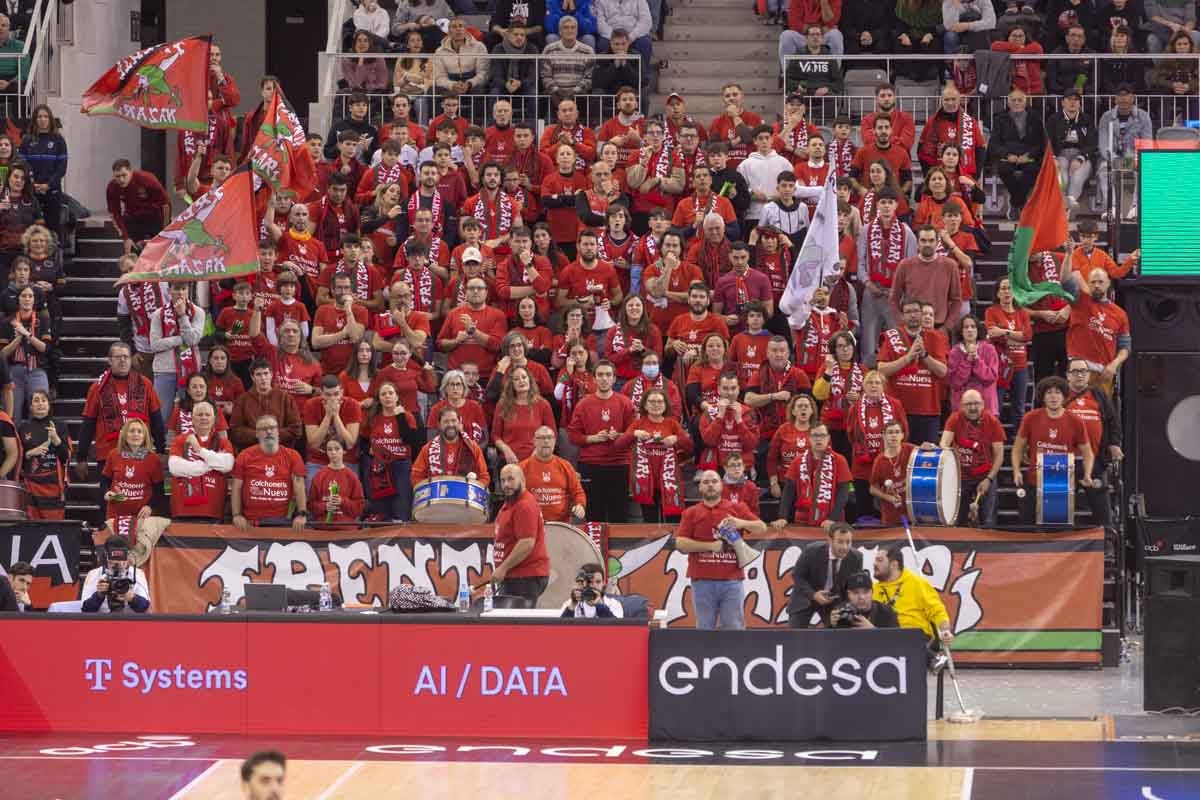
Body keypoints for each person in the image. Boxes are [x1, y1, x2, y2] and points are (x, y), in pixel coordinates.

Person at [674, 469, 766, 630]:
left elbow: (762, 528)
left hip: (732, 581)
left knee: (734, 630)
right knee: (704, 630)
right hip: (702, 581)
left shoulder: (738, 508)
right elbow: (680, 543)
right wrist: (710, 546)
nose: (710, 485)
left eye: (714, 481)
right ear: (700, 487)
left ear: (721, 485)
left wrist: (740, 523)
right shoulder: (690, 513)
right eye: (706, 482)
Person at [1012, 376, 1097, 525]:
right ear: (1042, 397)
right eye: (1049, 392)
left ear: (1064, 396)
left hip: (1062, 486)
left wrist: (1088, 474)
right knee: (1028, 528)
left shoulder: (1075, 421)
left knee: (1060, 529)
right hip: (1034, 483)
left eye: (1057, 392)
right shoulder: (1030, 418)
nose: (1053, 396)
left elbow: (1088, 453)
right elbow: (1017, 449)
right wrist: (1016, 471)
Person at [76, 342, 166, 483]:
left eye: (126, 357)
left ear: (131, 360)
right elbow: (88, 423)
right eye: (118, 357)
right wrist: (81, 457)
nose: (122, 360)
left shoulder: (145, 384)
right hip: (108, 455)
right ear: (110, 360)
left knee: (140, 499)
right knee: (109, 500)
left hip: (140, 453)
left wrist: (160, 449)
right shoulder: (97, 388)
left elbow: (156, 419)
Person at [567, 361, 635, 522]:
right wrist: (593, 438)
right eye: (600, 375)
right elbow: (573, 435)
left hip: (618, 464)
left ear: (614, 379)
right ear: (594, 379)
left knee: (618, 515)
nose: (604, 378)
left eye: (608, 375)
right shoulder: (583, 404)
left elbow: (632, 434)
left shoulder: (625, 403)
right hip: (591, 464)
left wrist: (618, 435)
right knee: (593, 514)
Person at [856, 187, 915, 366]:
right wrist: (867, 282)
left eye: (890, 202)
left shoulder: (907, 232)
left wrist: (897, 290)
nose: (887, 206)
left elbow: (911, 267)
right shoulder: (866, 230)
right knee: (868, 339)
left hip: (895, 295)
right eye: (883, 202)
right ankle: (867, 376)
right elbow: (860, 262)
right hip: (871, 292)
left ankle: (894, 375)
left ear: (896, 205)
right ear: (877, 205)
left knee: (895, 337)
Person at [877, 297, 948, 445]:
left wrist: (924, 355)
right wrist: (908, 358)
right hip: (898, 410)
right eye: (908, 312)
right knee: (899, 456)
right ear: (902, 316)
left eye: (916, 311)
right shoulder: (892, 336)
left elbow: (942, 371)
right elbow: (881, 369)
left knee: (926, 459)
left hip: (928, 411)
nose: (913, 315)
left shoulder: (936, 337)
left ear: (922, 314)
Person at [616, 388, 691, 523]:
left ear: (665, 405)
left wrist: (676, 439)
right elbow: (619, 445)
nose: (656, 405)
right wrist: (634, 434)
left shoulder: (672, 424)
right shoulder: (638, 424)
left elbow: (690, 448)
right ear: (645, 405)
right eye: (652, 401)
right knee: (650, 523)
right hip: (646, 484)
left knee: (672, 521)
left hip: (669, 483)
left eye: (659, 401)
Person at [872, 543, 954, 667]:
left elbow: (937, 610)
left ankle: (930, 658)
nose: (874, 564)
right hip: (885, 638)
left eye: (879, 560)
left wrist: (945, 630)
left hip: (918, 636)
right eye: (875, 560)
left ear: (894, 564)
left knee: (899, 641)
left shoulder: (917, 583)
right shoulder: (873, 589)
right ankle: (932, 659)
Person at [1065, 357, 1122, 528]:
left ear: (1089, 375)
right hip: (1065, 462)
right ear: (1068, 375)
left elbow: (1113, 421)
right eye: (1075, 371)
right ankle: (1059, 548)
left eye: (1083, 371)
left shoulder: (1099, 395)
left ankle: (1107, 546)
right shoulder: (1058, 394)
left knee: (1102, 509)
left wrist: (1114, 444)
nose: (1079, 375)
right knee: (1060, 509)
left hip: (1095, 460)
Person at [845, 370, 907, 520]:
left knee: (887, 508)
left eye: (877, 383)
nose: (874, 386)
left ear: (884, 386)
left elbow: (904, 431)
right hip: (863, 465)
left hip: (887, 463)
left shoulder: (894, 405)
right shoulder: (855, 407)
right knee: (864, 510)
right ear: (863, 386)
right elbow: (851, 434)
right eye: (870, 383)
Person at [1062, 266, 1131, 398]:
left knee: (1101, 415)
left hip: (1104, 374)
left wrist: (1114, 365)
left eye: (1100, 282)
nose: (1096, 285)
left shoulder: (1120, 314)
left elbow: (1125, 347)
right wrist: (1069, 254)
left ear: (1108, 283)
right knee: (1077, 413)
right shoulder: (1080, 300)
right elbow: (1065, 281)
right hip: (1078, 372)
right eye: (1093, 282)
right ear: (1088, 284)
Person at [940, 389, 1004, 527]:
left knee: (989, 522)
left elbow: (999, 455)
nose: (973, 407)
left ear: (983, 404)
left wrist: (989, 479)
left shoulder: (993, 421)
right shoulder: (954, 418)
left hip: (986, 475)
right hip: (960, 477)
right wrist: (947, 451)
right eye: (968, 404)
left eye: (976, 403)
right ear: (961, 405)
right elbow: (944, 443)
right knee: (958, 521)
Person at [232, 415, 308, 531]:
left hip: (282, 523)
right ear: (257, 434)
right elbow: (236, 487)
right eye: (263, 429)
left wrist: (301, 514)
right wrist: (237, 515)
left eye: (272, 428)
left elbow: (299, 485)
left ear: (278, 431)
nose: (269, 431)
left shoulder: (293, 456)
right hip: (251, 522)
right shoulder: (244, 456)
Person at [490, 464, 551, 604]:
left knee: (518, 624)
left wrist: (502, 568)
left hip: (525, 576)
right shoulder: (511, 503)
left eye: (511, 479)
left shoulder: (524, 505)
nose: (506, 484)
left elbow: (527, 542)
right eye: (503, 480)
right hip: (516, 576)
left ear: (522, 480)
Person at [774, 422, 854, 528]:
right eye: (815, 436)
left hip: (832, 523)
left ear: (828, 438)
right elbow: (788, 491)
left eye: (822, 435)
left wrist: (832, 519)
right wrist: (782, 517)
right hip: (802, 522)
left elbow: (843, 493)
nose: (818, 439)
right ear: (809, 438)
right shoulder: (798, 461)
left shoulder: (840, 460)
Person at [167, 400, 234, 521]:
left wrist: (199, 450)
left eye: (207, 415)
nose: (204, 418)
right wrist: (211, 464)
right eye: (199, 414)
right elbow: (175, 467)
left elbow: (227, 465)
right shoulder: (180, 440)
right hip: (182, 510)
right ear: (192, 419)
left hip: (213, 511)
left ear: (214, 420)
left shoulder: (223, 442)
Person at [786, 520, 862, 628]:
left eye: (848, 542)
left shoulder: (856, 557)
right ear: (830, 540)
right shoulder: (811, 551)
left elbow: (852, 586)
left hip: (835, 600)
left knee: (840, 632)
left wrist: (845, 607)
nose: (845, 547)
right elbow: (797, 576)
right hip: (807, 596)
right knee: (795, 636)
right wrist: (813, 595)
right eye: (840, 542)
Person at [149, 283, 206, 425]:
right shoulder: (158, 314)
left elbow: (193, 339)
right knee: (161, 415)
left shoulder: (198, 312)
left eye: (183, 288)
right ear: (169, 291)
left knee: (190, 416)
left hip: (190, 370)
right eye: (176, 289)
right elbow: (155, 345)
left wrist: (182, 316)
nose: (180, 292)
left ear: (188, 290)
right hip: (164, 370)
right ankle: (159, 447)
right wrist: (180, 339)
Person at [889, 225, 963, 332]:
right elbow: (893, 299)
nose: (927, 244)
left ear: (937, 243)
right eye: (923, 240)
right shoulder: (905, 265)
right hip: (911, 328)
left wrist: (947, 327)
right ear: (918, 243)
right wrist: (902, 321)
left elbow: (957, 300)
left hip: (939, 327)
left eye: (931, 240)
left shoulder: (950, 266)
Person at [1098, 85, 1153, 221]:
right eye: (1120, 95)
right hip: (1111, 157)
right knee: (1105, 170)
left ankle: (1132, 208)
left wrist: (1136, 159)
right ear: (1115, 98)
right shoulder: (1106, 117)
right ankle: (1113, 207)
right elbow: (1103, 144)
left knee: (1134, 170)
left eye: (1126, 95)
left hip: (1134, 157)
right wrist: (1116, 160)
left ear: (1133, 97)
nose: (1123, 98)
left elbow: (1147, 143)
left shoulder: (1143, 116)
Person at [985, 277, 1032, 427]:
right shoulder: (991, 311)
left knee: (1018, 407)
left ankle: (1016, 439)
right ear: (998, 293)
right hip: (1000, 367)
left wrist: (1004, 333)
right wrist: (1016, 336)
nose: (1007, 292)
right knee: (996, 407)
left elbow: (1027, 337)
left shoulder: (1022, 313)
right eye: (1003, 288)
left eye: (1010, 288)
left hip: (1020, 366)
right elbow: (992, 335)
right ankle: (996, 439)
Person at [0, 284, 50, 423]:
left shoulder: (42, 319)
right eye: (24, 296)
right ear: (18, 299)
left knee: (40, 413)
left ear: (34, 300)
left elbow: (45, 348)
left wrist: (27, 334)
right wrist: (18, 338)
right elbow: (2, 354)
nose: (27, 299)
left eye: (30, 296)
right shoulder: (7, 322)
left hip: (37, 370)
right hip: (14, 371)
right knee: (13, 415)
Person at [229, 359, 304, 451]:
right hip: (252, 451)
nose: (263, 378)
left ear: (271, 375)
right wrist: (260, 434)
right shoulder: (242, 400)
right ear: (252, 377)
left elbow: (296, 429)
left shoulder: (286, 398)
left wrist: (270, 434)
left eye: (266, 373)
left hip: (281, 451)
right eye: (258, 374)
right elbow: (235, 431)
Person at [303, 375, 363, 485]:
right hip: (318, 460)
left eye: (336, 394)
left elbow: (349, 443)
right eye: (328, 395)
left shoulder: (353, 405)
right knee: (312, 485)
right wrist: (327, 416)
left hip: (346, 460)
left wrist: (336, 416)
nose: (332, 399)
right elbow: (314, 444)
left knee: (350, 489)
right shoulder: (310, 405)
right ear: (321, 393)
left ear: (342, 391)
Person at [917, 84, 987, 178]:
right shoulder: (932, 122)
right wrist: (929, 175)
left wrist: (975, 176)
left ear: (959, 101)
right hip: (939, 175)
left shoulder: (971, 122)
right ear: (941, 101)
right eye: (946, 99)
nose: (950, 103)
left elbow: (980, 149)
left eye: (953, 99)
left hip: (964, 176)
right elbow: (922, 151)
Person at [19, 105, 67, 241]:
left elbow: (61, 168)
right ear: (35, 120)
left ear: (50, 119)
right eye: (39, 116)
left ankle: (54, 258)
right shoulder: (27, 140)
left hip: (52, 191)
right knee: (31, 227)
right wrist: (32, 183)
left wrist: (49, 185)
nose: (42, 119)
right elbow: (23, 165)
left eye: (45, 116)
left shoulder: (58, 140)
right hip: (31, 190)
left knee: (53, 229)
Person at [19, 390, 70, 519]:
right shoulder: (23, 427)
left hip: (53, 485)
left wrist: (56, 440)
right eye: (36, 400)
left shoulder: (60, 425)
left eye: (43, 400)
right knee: (31, 525)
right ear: (30, 406)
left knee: (54, 525)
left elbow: (66, 457)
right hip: (31, 484)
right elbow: (17, 458)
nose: (40, 404)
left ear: (49, 404)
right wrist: (29, 453)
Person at [520, 425, 587, 522]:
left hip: (561, 524)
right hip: (531, 524)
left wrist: (580, 505)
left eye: (549, 438)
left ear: (555, 441)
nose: (546, 441)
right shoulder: (522, 468)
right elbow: (515, 497)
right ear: (534, 441)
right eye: (542, 438)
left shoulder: (565, 466)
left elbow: (578, 492)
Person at [1047, 89, 1098, 214]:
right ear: (1062, 103)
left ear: (1080, 103)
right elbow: (1046, 141)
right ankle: (1064, 207)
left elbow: (1092, 143)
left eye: (1076, 100)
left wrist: (1081, 158)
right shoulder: (1054, 119)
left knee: (1076, 176)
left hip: (1081, 155)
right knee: (1062, 175)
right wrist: (1052, 158)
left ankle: (1066, 208)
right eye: (1069, 99)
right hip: (1061, 155)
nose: (1072, 102)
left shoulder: (1086, 119)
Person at [412, 406, 491, 485]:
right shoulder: (428, 449)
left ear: (459, 422)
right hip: (437, 495)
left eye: (453, 420)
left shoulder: (472, 447)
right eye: (446, 421)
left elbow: (484, 477)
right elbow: (416, 476)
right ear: (439, 425)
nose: (450, 424)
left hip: (465, 495)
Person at [106, 159, 171, 255]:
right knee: (132, 249)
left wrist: (165, 230)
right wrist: (125, 237)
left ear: (131, 172)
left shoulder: (146, 179)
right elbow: (115, 213)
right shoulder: (112, 187)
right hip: (133, 217)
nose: (121, 180)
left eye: (124, 175)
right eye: (117, 176)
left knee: (159, 251)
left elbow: (166, 204)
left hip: (154, 215)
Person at [80, 535, 151, 614]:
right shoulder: (94, 574)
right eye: (113, 557)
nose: (117, 562)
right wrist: (99, 595)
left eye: (121, 557)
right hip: (101, 620)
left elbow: (145, 608)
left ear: (128, 556)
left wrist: (132, 598)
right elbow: (85, 609)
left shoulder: (137, 574)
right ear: (106, 555)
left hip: (129, 620)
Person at [948, 314, 999, 414]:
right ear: (961, 331)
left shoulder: (989, 349)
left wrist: (977, 360)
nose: (970, 330)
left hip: (986, 408)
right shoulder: (954, 352)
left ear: (978, 330)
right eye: (966, 327)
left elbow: (990, 378)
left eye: (973, 326)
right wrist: (968, 360)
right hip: (962, 410)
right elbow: (955, 382)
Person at [310, 438, 366, 524]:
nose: (333, 452)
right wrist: (325, 506)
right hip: (323, 529)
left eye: (337, 449)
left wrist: (342, 501)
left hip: (346, 528)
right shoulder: (319, 476)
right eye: (329, 449)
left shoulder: (352, 477)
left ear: (344, 451)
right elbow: (310, 505)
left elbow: (359, 508)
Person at [541, 17, 596, 96]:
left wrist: (575, 91)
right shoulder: (549, 49)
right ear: (560, 31)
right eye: (566, 28)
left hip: (579, 95)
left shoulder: (588, 51)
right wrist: (557, 90)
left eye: (573, 28)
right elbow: (545, 75)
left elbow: (589, 77)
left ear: (577, 31)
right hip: (555, 95)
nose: (570, 30)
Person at [830, 570, 901, 629]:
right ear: (849, 594)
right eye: (855, 593)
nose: (861, 597)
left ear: (872, 592)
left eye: (866, 592)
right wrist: (832, 627)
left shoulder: (886, 612)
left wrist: (873, 631)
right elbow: (827, 643)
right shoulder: (841, 612)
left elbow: (897, 642)